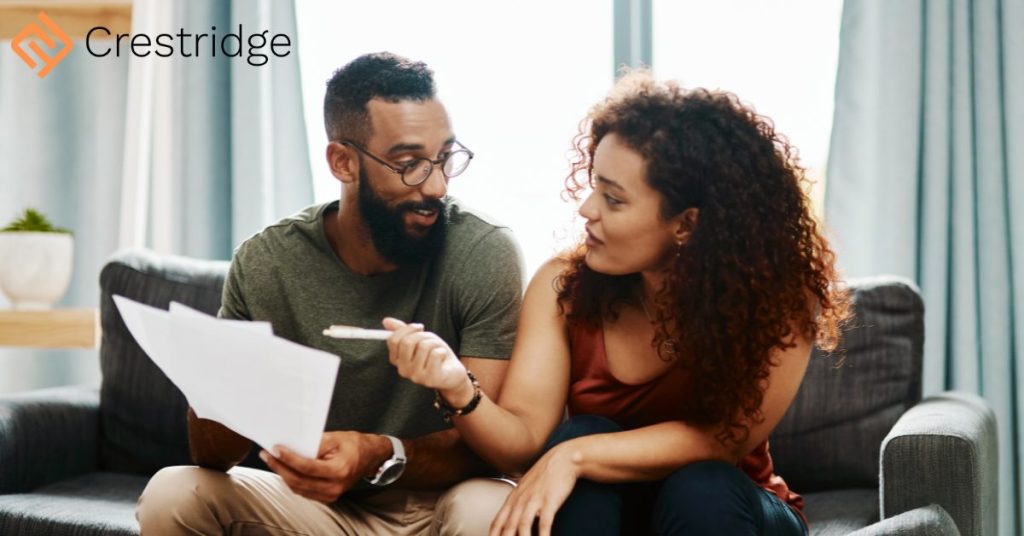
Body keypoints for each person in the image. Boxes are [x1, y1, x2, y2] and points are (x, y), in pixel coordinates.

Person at [387, 71, 852, 535]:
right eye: (594, 185)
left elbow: (722, 442)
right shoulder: (562, 288)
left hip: (730, 512)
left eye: (613, 199)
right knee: (583, 431)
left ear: (686, 225)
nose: (587, 209)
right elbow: (523, 441)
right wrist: (457, 387)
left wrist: (570, 457)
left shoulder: (779, 302)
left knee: (696, 485)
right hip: (613, 516)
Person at [136, 52, 525, 535]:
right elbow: (210, 455)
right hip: (316, 508)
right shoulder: (267, 263)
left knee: (489, 505)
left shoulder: (483, 252)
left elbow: (488, 448)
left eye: (445, 158)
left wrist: (375, 454)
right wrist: (221, 380)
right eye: (409, 165)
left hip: (439, 504)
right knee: (174, 492)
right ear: (343, 161)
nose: (437, 185)